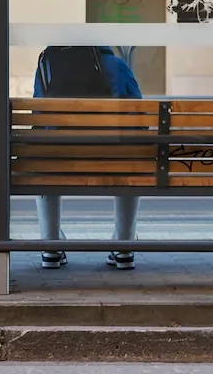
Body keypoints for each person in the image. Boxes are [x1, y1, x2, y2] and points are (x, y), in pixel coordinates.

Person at [33, 45, 142, 270]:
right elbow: (139, 111)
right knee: (130, 164)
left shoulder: (48, 63)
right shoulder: (118, 65)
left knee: (44, 163)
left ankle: (51, 244)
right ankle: (123, 245)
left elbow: (38, 110)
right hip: (111, 156)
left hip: (58, 158)